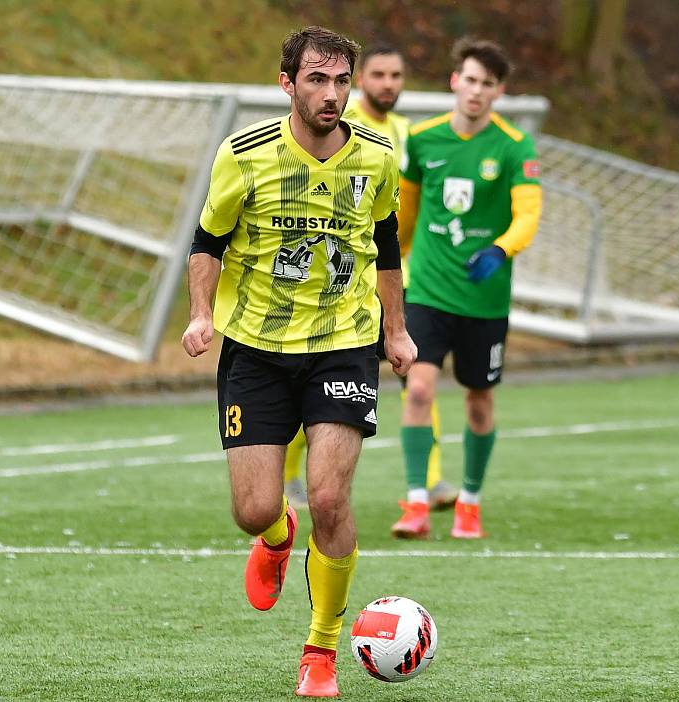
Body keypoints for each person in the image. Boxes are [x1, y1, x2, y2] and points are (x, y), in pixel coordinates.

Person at [181, 26, 416, 698]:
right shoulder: (245, 153)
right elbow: (208, 240)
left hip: (344, 340)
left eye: (342, 81)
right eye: (317, 79)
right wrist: (202, 314)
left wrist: (394, 333)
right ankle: (278, 537)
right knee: (255, 510)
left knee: (331, 497)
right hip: (255, 347)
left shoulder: (376, 154)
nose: (332, 94)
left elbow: (384, 245)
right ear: (287, 84)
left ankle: (321, 652)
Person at [284, 44, 458, 513]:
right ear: (361, 83)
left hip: (400, 277)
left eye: (397, 75)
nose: (388, 84)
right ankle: (289, 475)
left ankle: (433, 479)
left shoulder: (410, 135)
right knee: (321, 384)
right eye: (378, 74)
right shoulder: (338, 128)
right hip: (340, 282)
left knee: (417, 374)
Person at [391, 37, 542, 540]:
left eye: (488, 84)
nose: (476, 91)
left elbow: (528, 214)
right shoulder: (422, 139)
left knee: (478, 401)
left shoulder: (515, 146)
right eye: (470, 80)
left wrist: (500, 249)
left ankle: (470, 503)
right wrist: (386, 264)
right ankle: (415, 502)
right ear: (455, 81)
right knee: (418, 387)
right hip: (428, 290)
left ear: (500, 92)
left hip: (484, 299)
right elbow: (407, 215)